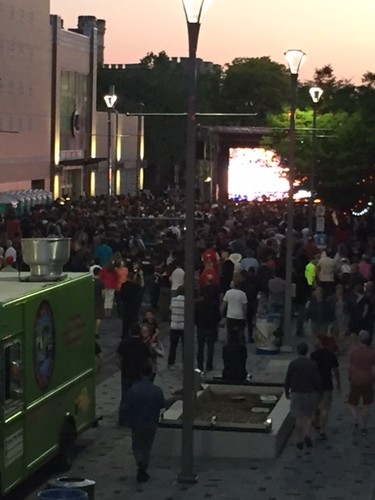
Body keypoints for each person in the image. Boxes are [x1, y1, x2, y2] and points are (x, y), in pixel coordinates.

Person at [123, 361, 166, 483]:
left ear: (140, 373)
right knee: (147, 446)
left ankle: (140, 462)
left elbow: (127, 406)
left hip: (136, 423)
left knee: (137, 445)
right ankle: (144, 465)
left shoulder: (133, 389)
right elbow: (162, 404)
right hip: (151, 423)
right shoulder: (157, 390)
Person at [284, 342, 321, 450]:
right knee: (308, 416)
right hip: (309, 392)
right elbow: (317, 380)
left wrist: (287, 391)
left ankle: (299, 440)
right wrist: (318, 391)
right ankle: (307, 434)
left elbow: (288, 378)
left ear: (298, 351)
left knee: (298, 417)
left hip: (296, 392)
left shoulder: (293, 363)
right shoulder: (312, 364)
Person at [117, 323, 151, 427]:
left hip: (126, 373)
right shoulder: (142, 345)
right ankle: (134, 419)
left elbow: (118, 357)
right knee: (136, 398)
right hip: (138, 374)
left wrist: (121, 367)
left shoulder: (124, 343)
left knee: (125, 396)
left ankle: (122, 420)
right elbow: (147, 361)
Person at [310, 335, 341, 440]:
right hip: (327, 384)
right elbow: (336, 371)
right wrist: (338, 384)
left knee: (315, 407)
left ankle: (316, 425)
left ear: (320, 342)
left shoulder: (314, 355)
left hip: (315, 385)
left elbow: (311, 371)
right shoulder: (331, 355)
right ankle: (322, 430)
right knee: (325, 408)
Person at [348, 329, 375, 433]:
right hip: (368, 380)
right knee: (366, 404)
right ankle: (364, 426)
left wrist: (349, 376)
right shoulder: (372, 352)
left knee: (352, 402)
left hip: (356, 379)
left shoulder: (353, 351)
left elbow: (350, 366)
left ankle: (356, 418)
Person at [194, 288, 221, 372]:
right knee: (210, 347)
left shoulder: (198, 304)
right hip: (211, 327)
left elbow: (194, 316)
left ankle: (200, 365)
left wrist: (197, 323)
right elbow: (218, 317)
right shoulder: (214, 305)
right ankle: (209, 365)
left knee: (200, 347)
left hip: (201, 327)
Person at [221, 272, 248, 342]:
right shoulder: (243, 294)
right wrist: (245, 317)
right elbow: (244, 308)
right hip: (240, 316)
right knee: (240, 333)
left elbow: (223, 305)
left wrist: (220, 315)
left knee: (229, 332)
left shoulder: (228, 292)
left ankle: (230, 345)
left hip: (230, 315)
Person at [167, 286, 185, 368]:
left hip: (174, 325)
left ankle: (171, 361)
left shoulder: (173, 300)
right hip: (183, 325)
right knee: (184, 345)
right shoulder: (187, 301)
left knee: (173, 345)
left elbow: (170, 308)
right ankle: (185, 361)